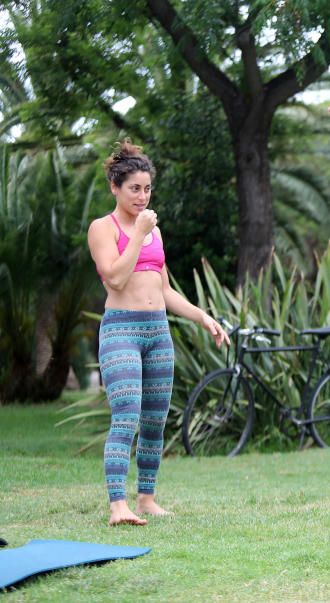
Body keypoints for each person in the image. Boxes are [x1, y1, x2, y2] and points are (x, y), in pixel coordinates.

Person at [88, 139, 230, 526]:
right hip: (121, 331)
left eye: (147, 188)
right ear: (115, 188)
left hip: (157, 332)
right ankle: (118, 505)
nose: (142, 195)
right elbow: (115, 278)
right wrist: (137, 233)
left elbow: (165, 290)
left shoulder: (155, 232)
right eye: (134, 188)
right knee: (126, 415)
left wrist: (202, 316)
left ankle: (147, 498)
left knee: (154, 419)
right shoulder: (103, 228)